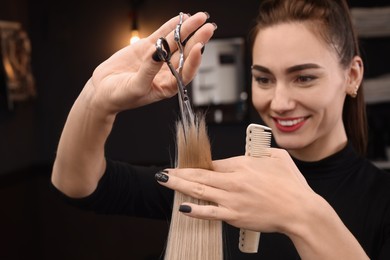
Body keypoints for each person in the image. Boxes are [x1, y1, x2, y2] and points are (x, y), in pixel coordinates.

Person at [51, 0, 390, 259]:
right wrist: (97, 99)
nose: (280, 101)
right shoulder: (218, 186)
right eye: (264, 78)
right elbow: (78, 185)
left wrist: (302, 215)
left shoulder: (381, 201)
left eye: (304, 77)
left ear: (353, 75)